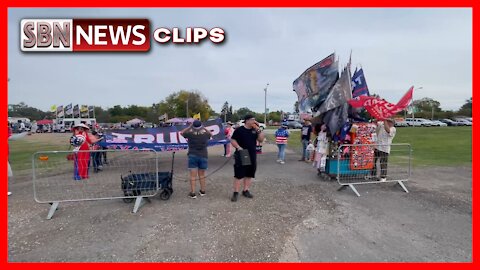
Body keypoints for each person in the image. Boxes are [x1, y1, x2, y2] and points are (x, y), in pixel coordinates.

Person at [230, 114, 265, 202]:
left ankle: (246, 190)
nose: (254, 121)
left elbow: (261, 140)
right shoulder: (239, 130)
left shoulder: (255, 130)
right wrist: (238, 147)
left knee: (249, 173)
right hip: (242, 153)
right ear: (247, 120)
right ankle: (236, 192)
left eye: (254, 120)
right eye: (252, 120)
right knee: (239, 174)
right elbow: (233, 140)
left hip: (252, 153)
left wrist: (258, 129)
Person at [180, 120, 212, 199]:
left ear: (193, 126)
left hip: (192, 155)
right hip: (203, 155)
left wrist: (189, 127)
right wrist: (204, 127)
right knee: (202, 175)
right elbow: (211, 134)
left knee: (193, 176)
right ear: (200, 126)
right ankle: (202, 191)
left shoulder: (189, 133)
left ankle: (193, 193)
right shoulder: (205, 134)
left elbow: (181, 133)